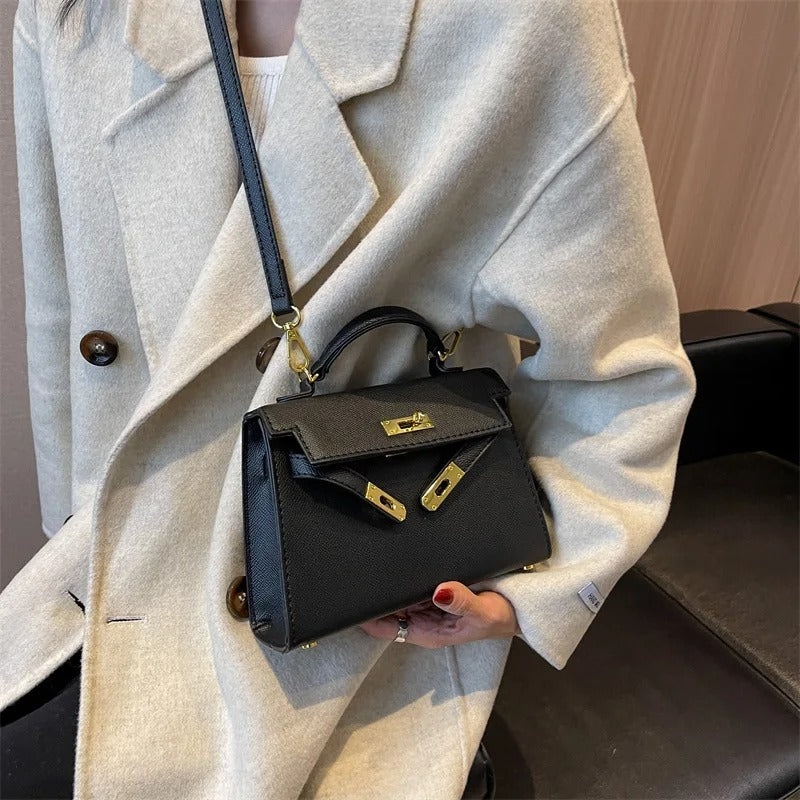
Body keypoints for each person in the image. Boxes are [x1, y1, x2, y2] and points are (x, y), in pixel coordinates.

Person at [0, 0, 697, 797]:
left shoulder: (520, 19)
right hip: (119, 588)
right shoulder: (72, 14)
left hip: (353, 632)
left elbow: (622, 373)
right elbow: (63, 317)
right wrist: (79, 540)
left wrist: (533, 589)